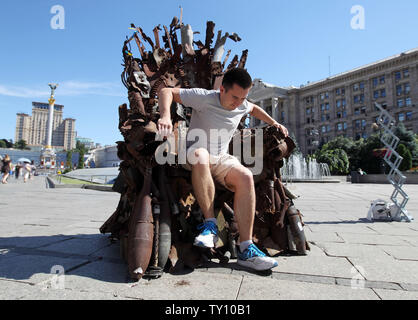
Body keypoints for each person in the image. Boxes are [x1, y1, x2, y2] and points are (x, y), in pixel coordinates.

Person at [157, 68, 289, 271]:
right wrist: (165, 116)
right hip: (195, 152)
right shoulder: (204, 97)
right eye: (235, 97)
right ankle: (210, 226)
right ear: (222, 89)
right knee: (201, 155)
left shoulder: (242, 103)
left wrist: (274, 122)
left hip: (220, 157)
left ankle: (246, 248)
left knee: (245, 175)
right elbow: (167, 91)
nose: (238, 103)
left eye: (243, 97)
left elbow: (253, 109)